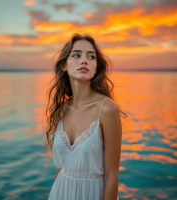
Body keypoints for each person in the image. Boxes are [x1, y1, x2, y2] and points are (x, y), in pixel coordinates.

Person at [44, 33, 127, 200]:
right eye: (76, 55)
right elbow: (61, 168)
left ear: (96, 67)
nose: (84, 60)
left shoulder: (107, 108)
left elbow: (111, 175)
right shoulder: (60, 110)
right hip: (60, 193)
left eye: (91, 57)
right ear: (64, 66)